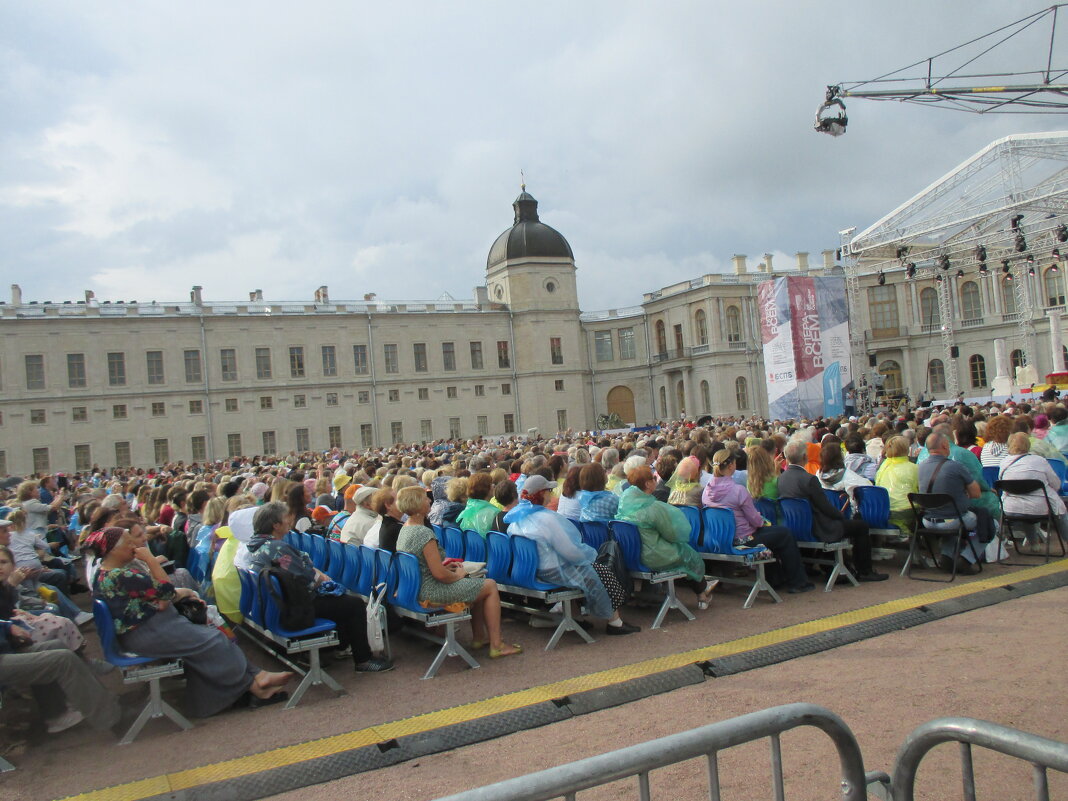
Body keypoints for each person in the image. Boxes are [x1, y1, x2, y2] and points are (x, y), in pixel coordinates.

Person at [89, 526, 293, 715]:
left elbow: (158, 597)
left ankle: (257, 680)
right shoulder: (122, 575)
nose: (135, 546)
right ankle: (254, 684)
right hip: (148, 633)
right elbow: (166, 590)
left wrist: (162, 598)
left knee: (212, 638)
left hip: (149, 627)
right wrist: (150, 560)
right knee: (214, 640)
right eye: (129, 543)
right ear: (113, 551)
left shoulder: (105, 572)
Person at [245, 502, 393, 672]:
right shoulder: (277, 548)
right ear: (275, 525)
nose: (289, 521)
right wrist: (321, 578)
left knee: (340, 601)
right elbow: (308, 580)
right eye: (286, 518)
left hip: (277, 602)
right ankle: (363, 660)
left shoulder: (256, 545)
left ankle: (338, 646)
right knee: (354, 604)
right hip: (294, 607)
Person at [394, 486, 521, 658]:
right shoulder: (423, 533)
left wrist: (449, 571)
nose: (429, 500)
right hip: (432, 591)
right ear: (416, 503)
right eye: (425, 498)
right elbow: (440, 575)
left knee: (478, 582)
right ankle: (497, 644)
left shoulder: (405, 528)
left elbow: (424, 566)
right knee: (489, 585)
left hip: (417, 588)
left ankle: (480, 637)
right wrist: (458, 575)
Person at [504, 475, 639, 634]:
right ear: (541, 494)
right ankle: (614, 622)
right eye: (549, 490)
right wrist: (591, 555)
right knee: (601, 572)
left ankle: (578, 619)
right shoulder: (547, 519)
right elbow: (571, 552)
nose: (552, 493)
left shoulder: (516, 518)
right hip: (552, 571)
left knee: (587, 568)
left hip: (530, 571)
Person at [702, 450, 813, 593]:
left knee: (774, 534)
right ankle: (798, 582)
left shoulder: (707, 491)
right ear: (730, 466)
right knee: (784, 534)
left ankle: (776, 578)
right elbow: (756, 521)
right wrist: (762, 520)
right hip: (743, 539)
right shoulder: (738, 490)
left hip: (721, 539)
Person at [777, 440, 888, 582]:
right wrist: (840, 517)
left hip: (796, 526)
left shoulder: (781, 478)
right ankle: (865, 571)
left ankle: (818, 564)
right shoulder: (808, 479)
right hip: (817, 527)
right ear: (804, 457)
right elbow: (825, 507)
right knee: (861, 526)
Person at [616, 466, 718, 609]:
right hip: (653, 555)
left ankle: (701, 590)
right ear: (647, 484)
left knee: (682, 552)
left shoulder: (623, 504)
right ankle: (702, 594)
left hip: (630, 556)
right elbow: (674, 534)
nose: (655, 479)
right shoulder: (652, 507)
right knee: (689, 554)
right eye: (653, 478)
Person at [916, 432, 993, 574]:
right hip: (953, 520)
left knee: (953, 516)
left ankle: (946, 556)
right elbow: (976, 493)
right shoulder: (955, 467)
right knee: (990, 522)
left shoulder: (919, 467)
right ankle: (967, 559)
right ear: (945, 446)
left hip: (927, 520)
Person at [997, 431, 1068, 549]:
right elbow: (1056, 485)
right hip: (1039, 508)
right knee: (1060, 511)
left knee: (1025, 505)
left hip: (1010, 508)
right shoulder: (1039, 461)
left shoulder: (1004, 463)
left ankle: (1034, 543)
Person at [874, 436, 918, 534]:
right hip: (907, 510)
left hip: (884, 510)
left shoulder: (882, 467)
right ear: (907, 449)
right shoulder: (914, 468)